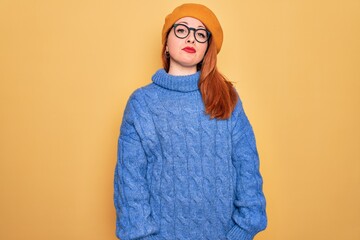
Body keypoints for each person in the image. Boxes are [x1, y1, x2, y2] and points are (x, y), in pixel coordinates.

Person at [114, 3, 267, 240]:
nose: (191, 39)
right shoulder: (142, 103)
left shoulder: (226, 97)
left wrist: (241, 232)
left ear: (208, 48)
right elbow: (130, 182)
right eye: (182, 30)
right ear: (166, 43)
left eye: (200, 33)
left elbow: (247, 167)